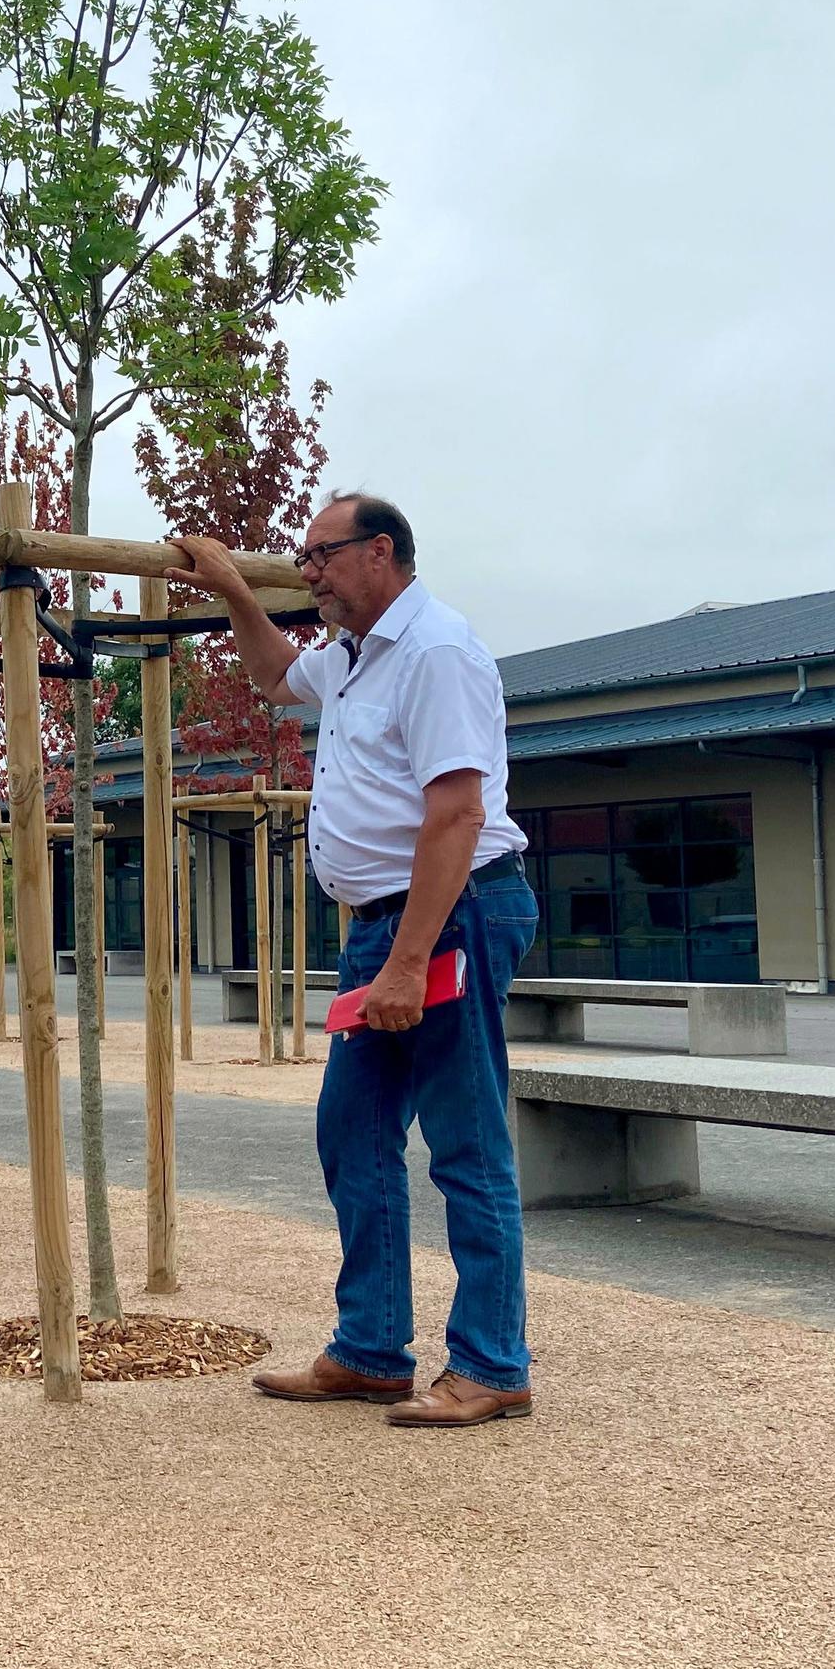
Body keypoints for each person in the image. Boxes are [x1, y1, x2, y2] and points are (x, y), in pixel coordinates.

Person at [167, 493, 541, 1427]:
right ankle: (372, 1350)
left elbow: (456, 813)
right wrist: (228, 594)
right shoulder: (351, 656)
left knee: (466, 1142)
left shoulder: (437, 652)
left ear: (382, 552)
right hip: (385, 926)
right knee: (354, 1131)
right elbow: (274, 676)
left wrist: (411, 962)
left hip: (450, 917)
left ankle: (494, 1364)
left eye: (321, 555)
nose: (309, 572)